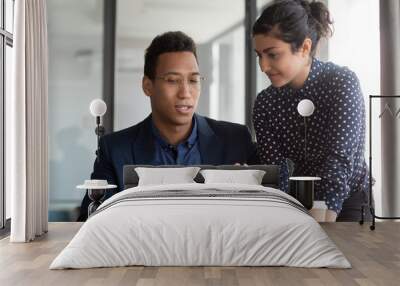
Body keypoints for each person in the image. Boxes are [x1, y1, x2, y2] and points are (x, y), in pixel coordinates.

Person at [78, 31, 258, 221]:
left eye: (193, 80)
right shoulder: (114, 149)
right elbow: (88, 222)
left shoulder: (236, 140)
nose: (185, 93)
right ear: (148, 86)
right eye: (172, 80)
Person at [252, 0, 370, 221]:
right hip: (298, 201)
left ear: (304, 48)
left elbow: (339, 159)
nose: (263, 66)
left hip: (349, 201)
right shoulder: (265, 103)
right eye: (259, 55)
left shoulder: (341, 83)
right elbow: (278, 173)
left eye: (273, 54)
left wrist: (326, 217)